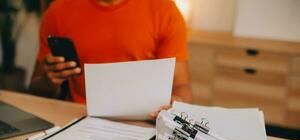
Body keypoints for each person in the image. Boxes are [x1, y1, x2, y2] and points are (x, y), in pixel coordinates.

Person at [29, 0, 192, 119]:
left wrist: (176, 104)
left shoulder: (164, 11)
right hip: (78, 118)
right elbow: (36, 88)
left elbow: (181, 85)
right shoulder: (58, 11)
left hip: (143, 121)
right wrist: (51, 80)